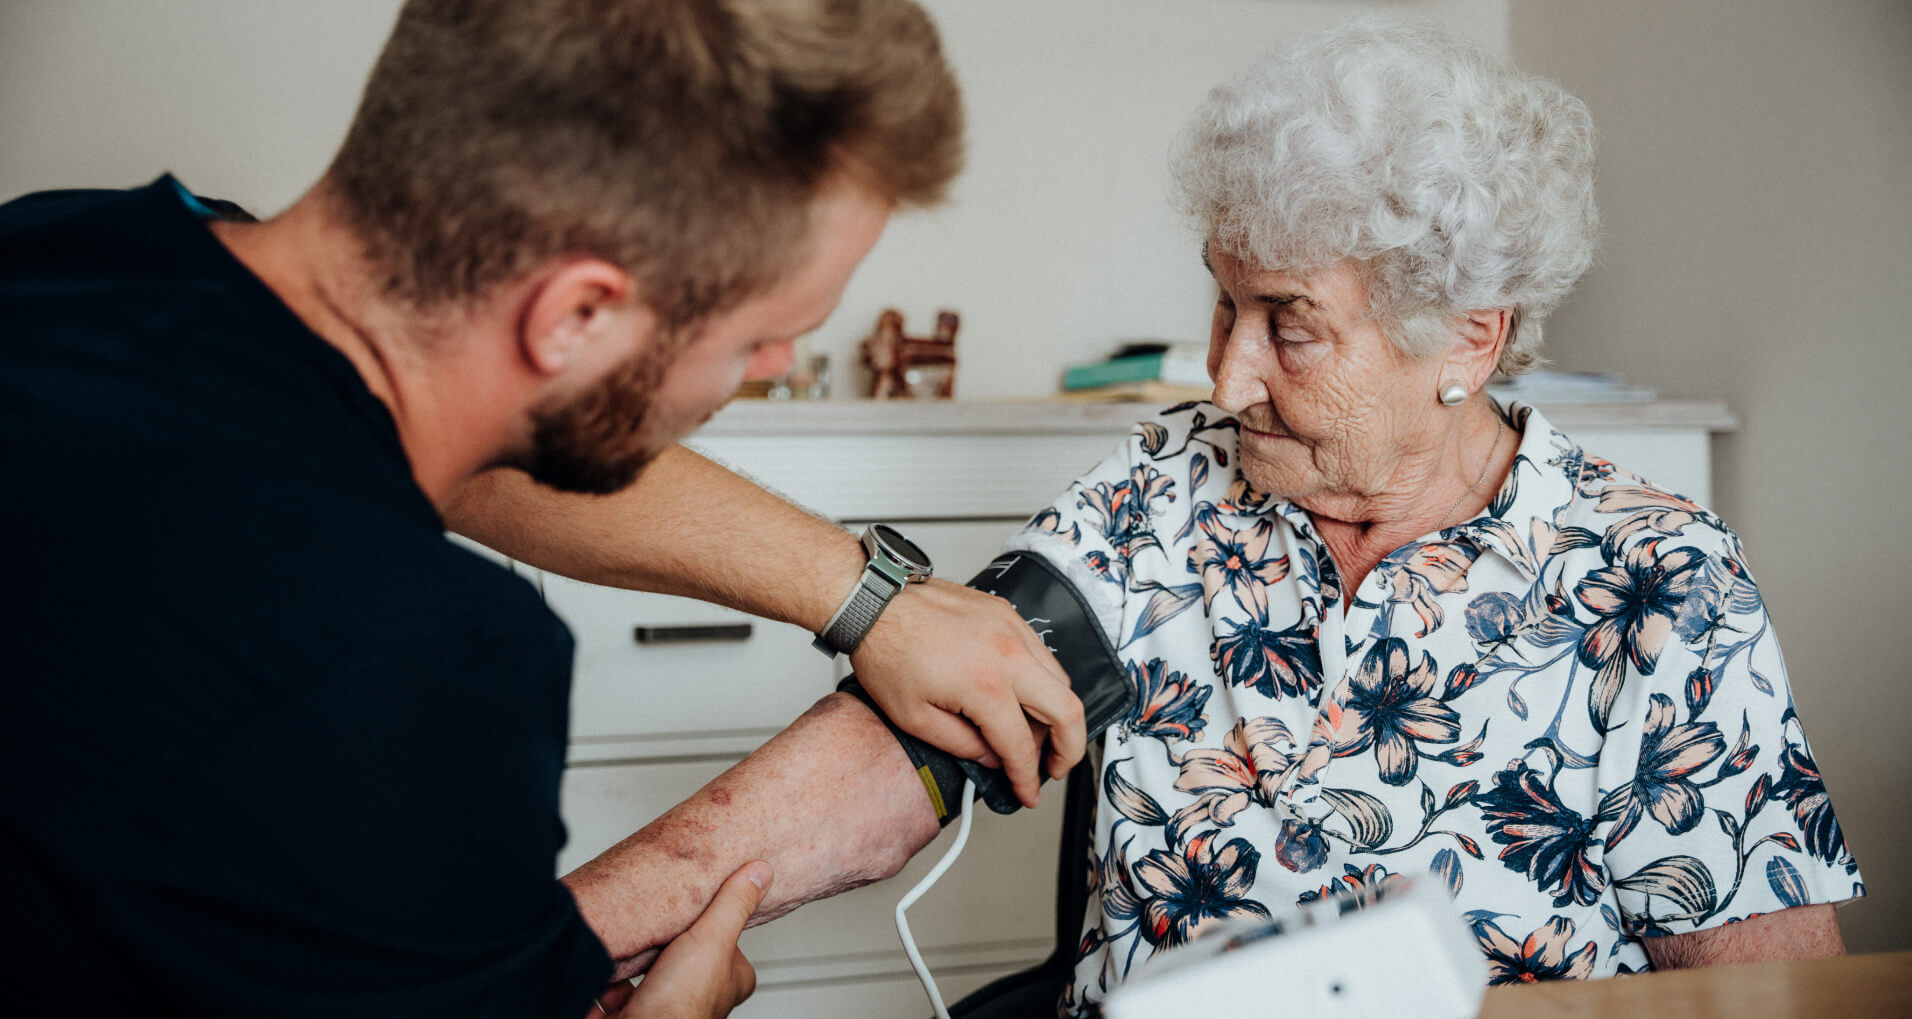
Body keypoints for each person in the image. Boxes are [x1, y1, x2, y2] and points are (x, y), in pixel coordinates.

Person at [569, 19, 1864, 1018]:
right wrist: (549, 948)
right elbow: (903, 741)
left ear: (1467, 335)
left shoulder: (1655, 578)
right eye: (1223, 303)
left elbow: (1762, 982)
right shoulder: (1161, 496)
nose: (1228, 374)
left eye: (1289, 323)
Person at [0, 1, 1087, 1016]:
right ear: (574, 313)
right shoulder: (409, 663)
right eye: (763, 332)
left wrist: (871, 600)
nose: (776, 361)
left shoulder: (64, 251)